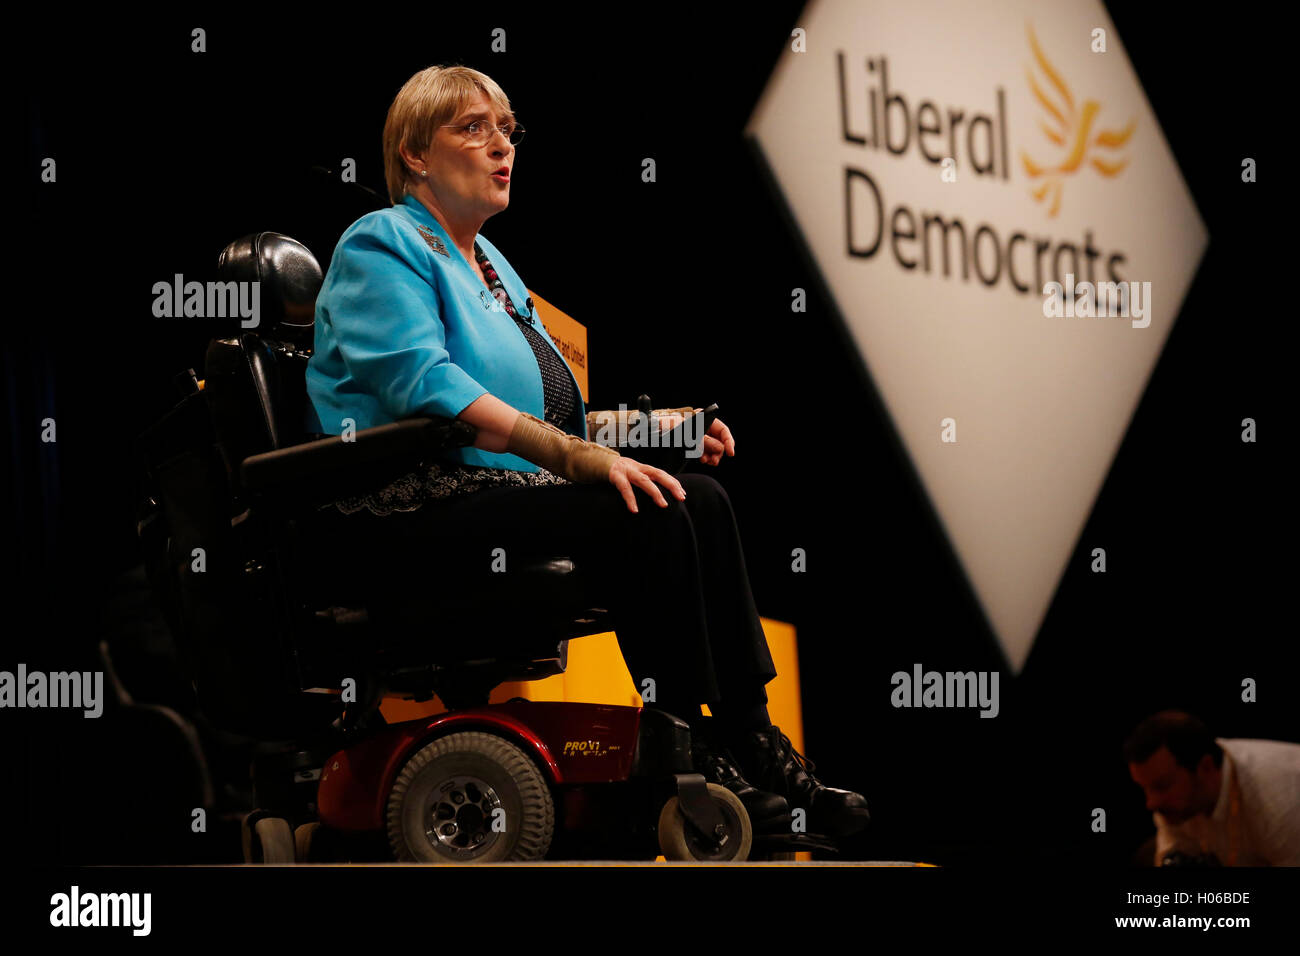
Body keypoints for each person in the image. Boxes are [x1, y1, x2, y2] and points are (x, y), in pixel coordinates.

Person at [301, 64, 869, 840]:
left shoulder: (496, 267)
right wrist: (578, 462)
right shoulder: (383, 242)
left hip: (496, 496)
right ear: (414, 154)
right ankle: (690, 752)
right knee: (637, 509)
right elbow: (420, 383)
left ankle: (749, 735)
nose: (501, 145)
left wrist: (657, 434)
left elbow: (551, 412)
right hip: (403, 512)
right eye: (473, 127)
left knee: (693, 493)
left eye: (509, 129)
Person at [1124, 710, 1300, 866]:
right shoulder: (1175, 803)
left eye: (1162, 786)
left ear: (1205, 768)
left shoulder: (1278, 804)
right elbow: (1175, 845)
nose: (1151, 803)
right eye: (1145, 789)